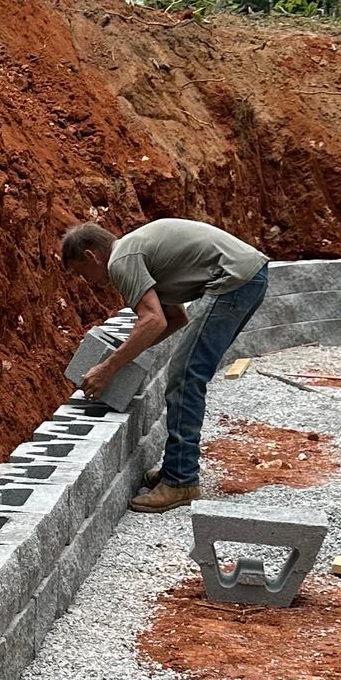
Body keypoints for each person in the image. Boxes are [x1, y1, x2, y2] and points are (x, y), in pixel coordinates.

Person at [60, 214, 271, 511]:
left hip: (234, 281)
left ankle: (181, 482)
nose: (87, 282)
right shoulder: (137, 251)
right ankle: (177, 468)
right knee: (185, 374)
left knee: (186, 377)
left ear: (91, 256)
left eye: (82, 272)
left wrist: (109, 368)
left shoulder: (121, 260)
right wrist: (124, 358)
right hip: (246, 275)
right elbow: (173, 319)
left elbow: (152, 320)